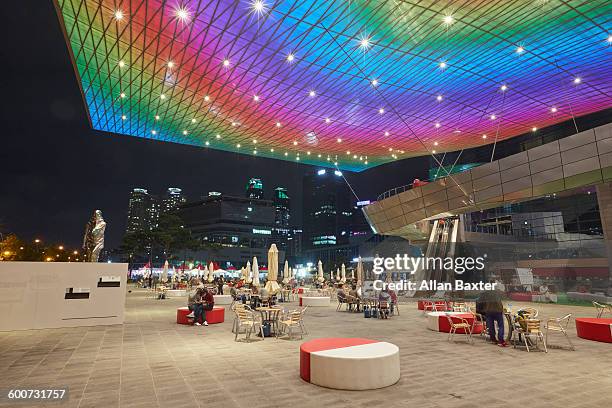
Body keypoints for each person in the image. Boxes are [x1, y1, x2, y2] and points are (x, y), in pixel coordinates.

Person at [478, 282, 507, 347]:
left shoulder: (485, 293)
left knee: (491, 326)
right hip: (497, 310)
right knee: (500, 326)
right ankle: (501, 341)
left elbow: (479, 300)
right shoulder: (498, 292)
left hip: (488, 311)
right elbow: (505, 297)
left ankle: (493, 339)